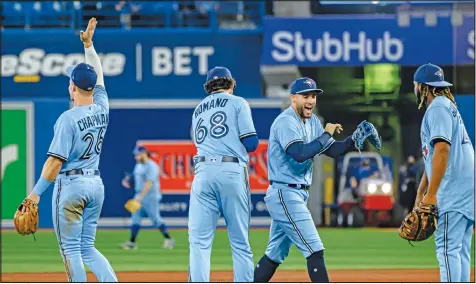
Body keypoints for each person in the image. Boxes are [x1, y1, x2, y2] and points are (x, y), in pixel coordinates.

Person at [18, 18, 117, 282]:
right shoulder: (102, 108)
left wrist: (34, 195)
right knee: (88, 247)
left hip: (71, 185)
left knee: (71, 249)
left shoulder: (68, 119)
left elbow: (54, 163)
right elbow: (100, 78)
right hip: (96, 184)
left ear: (72, 86)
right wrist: (89, 46)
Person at [253, 77, 380, 282]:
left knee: (274, 254)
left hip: (297, 193)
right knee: (315, 250)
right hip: (285, 193)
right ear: (293, 98)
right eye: (306, 96)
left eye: (313, 96)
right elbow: (300, 153)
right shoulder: (286, 122)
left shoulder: (312, 122)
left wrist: (352, 140)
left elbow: (331, 150)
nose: (311, 100)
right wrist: (327, 134)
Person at [188, 66, 258, 282]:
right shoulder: (238, 102)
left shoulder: (198, 109)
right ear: (231, 83)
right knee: (239, 241)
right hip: (230, 170)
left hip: (202, 173)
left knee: (199, 242)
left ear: (209, 87)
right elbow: (251, 143)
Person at [412, 63, 474, 282]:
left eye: (416, 85)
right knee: (459, 249)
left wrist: (432, 194)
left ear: (423, 87)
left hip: (452, 188)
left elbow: (442, 150)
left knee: (447, 248)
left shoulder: (437, 107)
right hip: (466, 191)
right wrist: (421, 192)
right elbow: (433, 156)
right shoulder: (447, 106)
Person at [120, 145, 175, 250]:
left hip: (150, 196)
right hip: (139, 194)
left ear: (144, 154)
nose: (136, 157)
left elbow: (149, 183)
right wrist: (129, 183)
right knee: (135, 219)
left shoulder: (152, 166)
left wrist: (140, 197)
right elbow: (137, 180)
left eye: (138, 154)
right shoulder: (138, 165)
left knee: (155, 219)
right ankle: (132, 242)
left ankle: (169, 239)